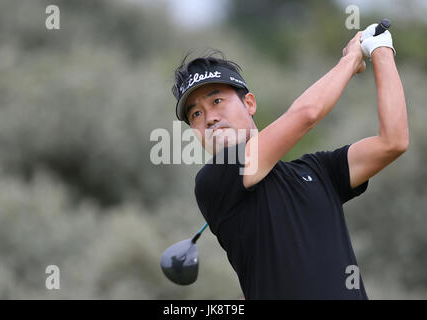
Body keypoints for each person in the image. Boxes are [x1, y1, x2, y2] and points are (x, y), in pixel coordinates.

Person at [171, 25, 409, 299]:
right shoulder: (213, 180)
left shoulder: (319, 171)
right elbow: (306, 114)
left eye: (217, 100)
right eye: (196, 114)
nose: (209, 118)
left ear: (249, 104)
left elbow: (393, 141)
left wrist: (380, 50)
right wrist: (350, 60)